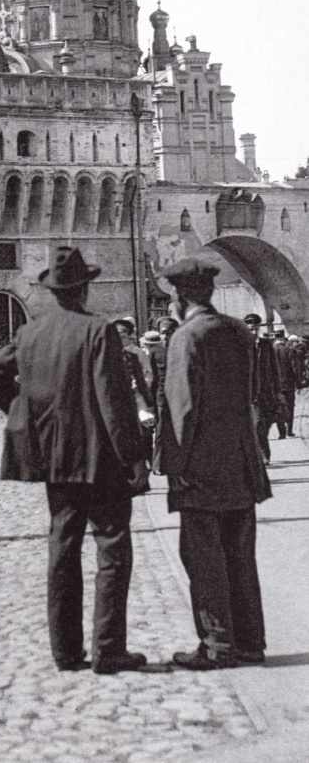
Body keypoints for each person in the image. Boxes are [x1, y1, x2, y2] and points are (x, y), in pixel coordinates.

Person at [0, 246, 149, 675]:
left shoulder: (30, 332)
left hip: (54, 458)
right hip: (100, 459)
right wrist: (133, 458)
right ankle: (109, 649)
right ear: (85, 288)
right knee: (112, 547)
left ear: (53, 292)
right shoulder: (98, 330)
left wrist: (23, 414)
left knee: (63, 548)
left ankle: (66, 652)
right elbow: (114, 401)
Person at [155, 258, 271, 669]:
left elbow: (182, 409)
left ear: (180, 298)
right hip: (241, 462)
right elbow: (252, 394)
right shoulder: (239, 332)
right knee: (240, 554)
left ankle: (218, 644)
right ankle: (251, 643)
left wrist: (175, 465)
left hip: (202, 466)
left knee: (204, 556)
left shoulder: (187, 337)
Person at [247, 314, 280, 462]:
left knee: (267, 422)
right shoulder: (242, 346)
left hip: (267, 392)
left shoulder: (266, 345)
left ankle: (259, 452)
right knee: (258, 423)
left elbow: (274, 369)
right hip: (251, 393)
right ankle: (263, 455)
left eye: (256, 329)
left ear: (259, 328)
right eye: (251, 329)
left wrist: (278, 391)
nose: (254, 332)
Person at [272, 329, 297, 439]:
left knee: (278, 407)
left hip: (275, 384)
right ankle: (289, 430)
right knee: (290, 406)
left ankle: (281, 433)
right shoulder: (288, 350)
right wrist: (298, 381)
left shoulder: (270, 350)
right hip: (288, 383)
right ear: (283, 337)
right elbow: (294, 367)